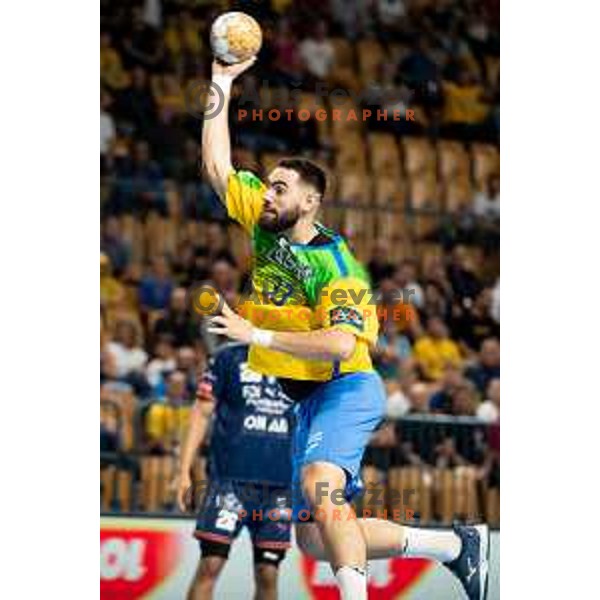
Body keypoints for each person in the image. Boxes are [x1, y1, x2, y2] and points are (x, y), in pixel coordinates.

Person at [198, 56, 489, 600]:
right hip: (305, 400)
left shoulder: (338, 266)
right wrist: (222, 81)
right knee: (312, 537)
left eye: (279, 188)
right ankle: (454, 545)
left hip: (347, 387)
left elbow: (341, 342)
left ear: (309, 202)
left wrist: (253, 336)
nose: (267, 194)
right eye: (266, 186)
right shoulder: (264, 224)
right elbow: (216, 164)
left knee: (319, 489)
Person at [176, 342, 294, 600]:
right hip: (229, 482)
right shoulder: (227, 356)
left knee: (268, 573)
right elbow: (201, 412)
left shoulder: (304, 358)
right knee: (210, 564)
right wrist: (184, 470)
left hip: (280, 485)